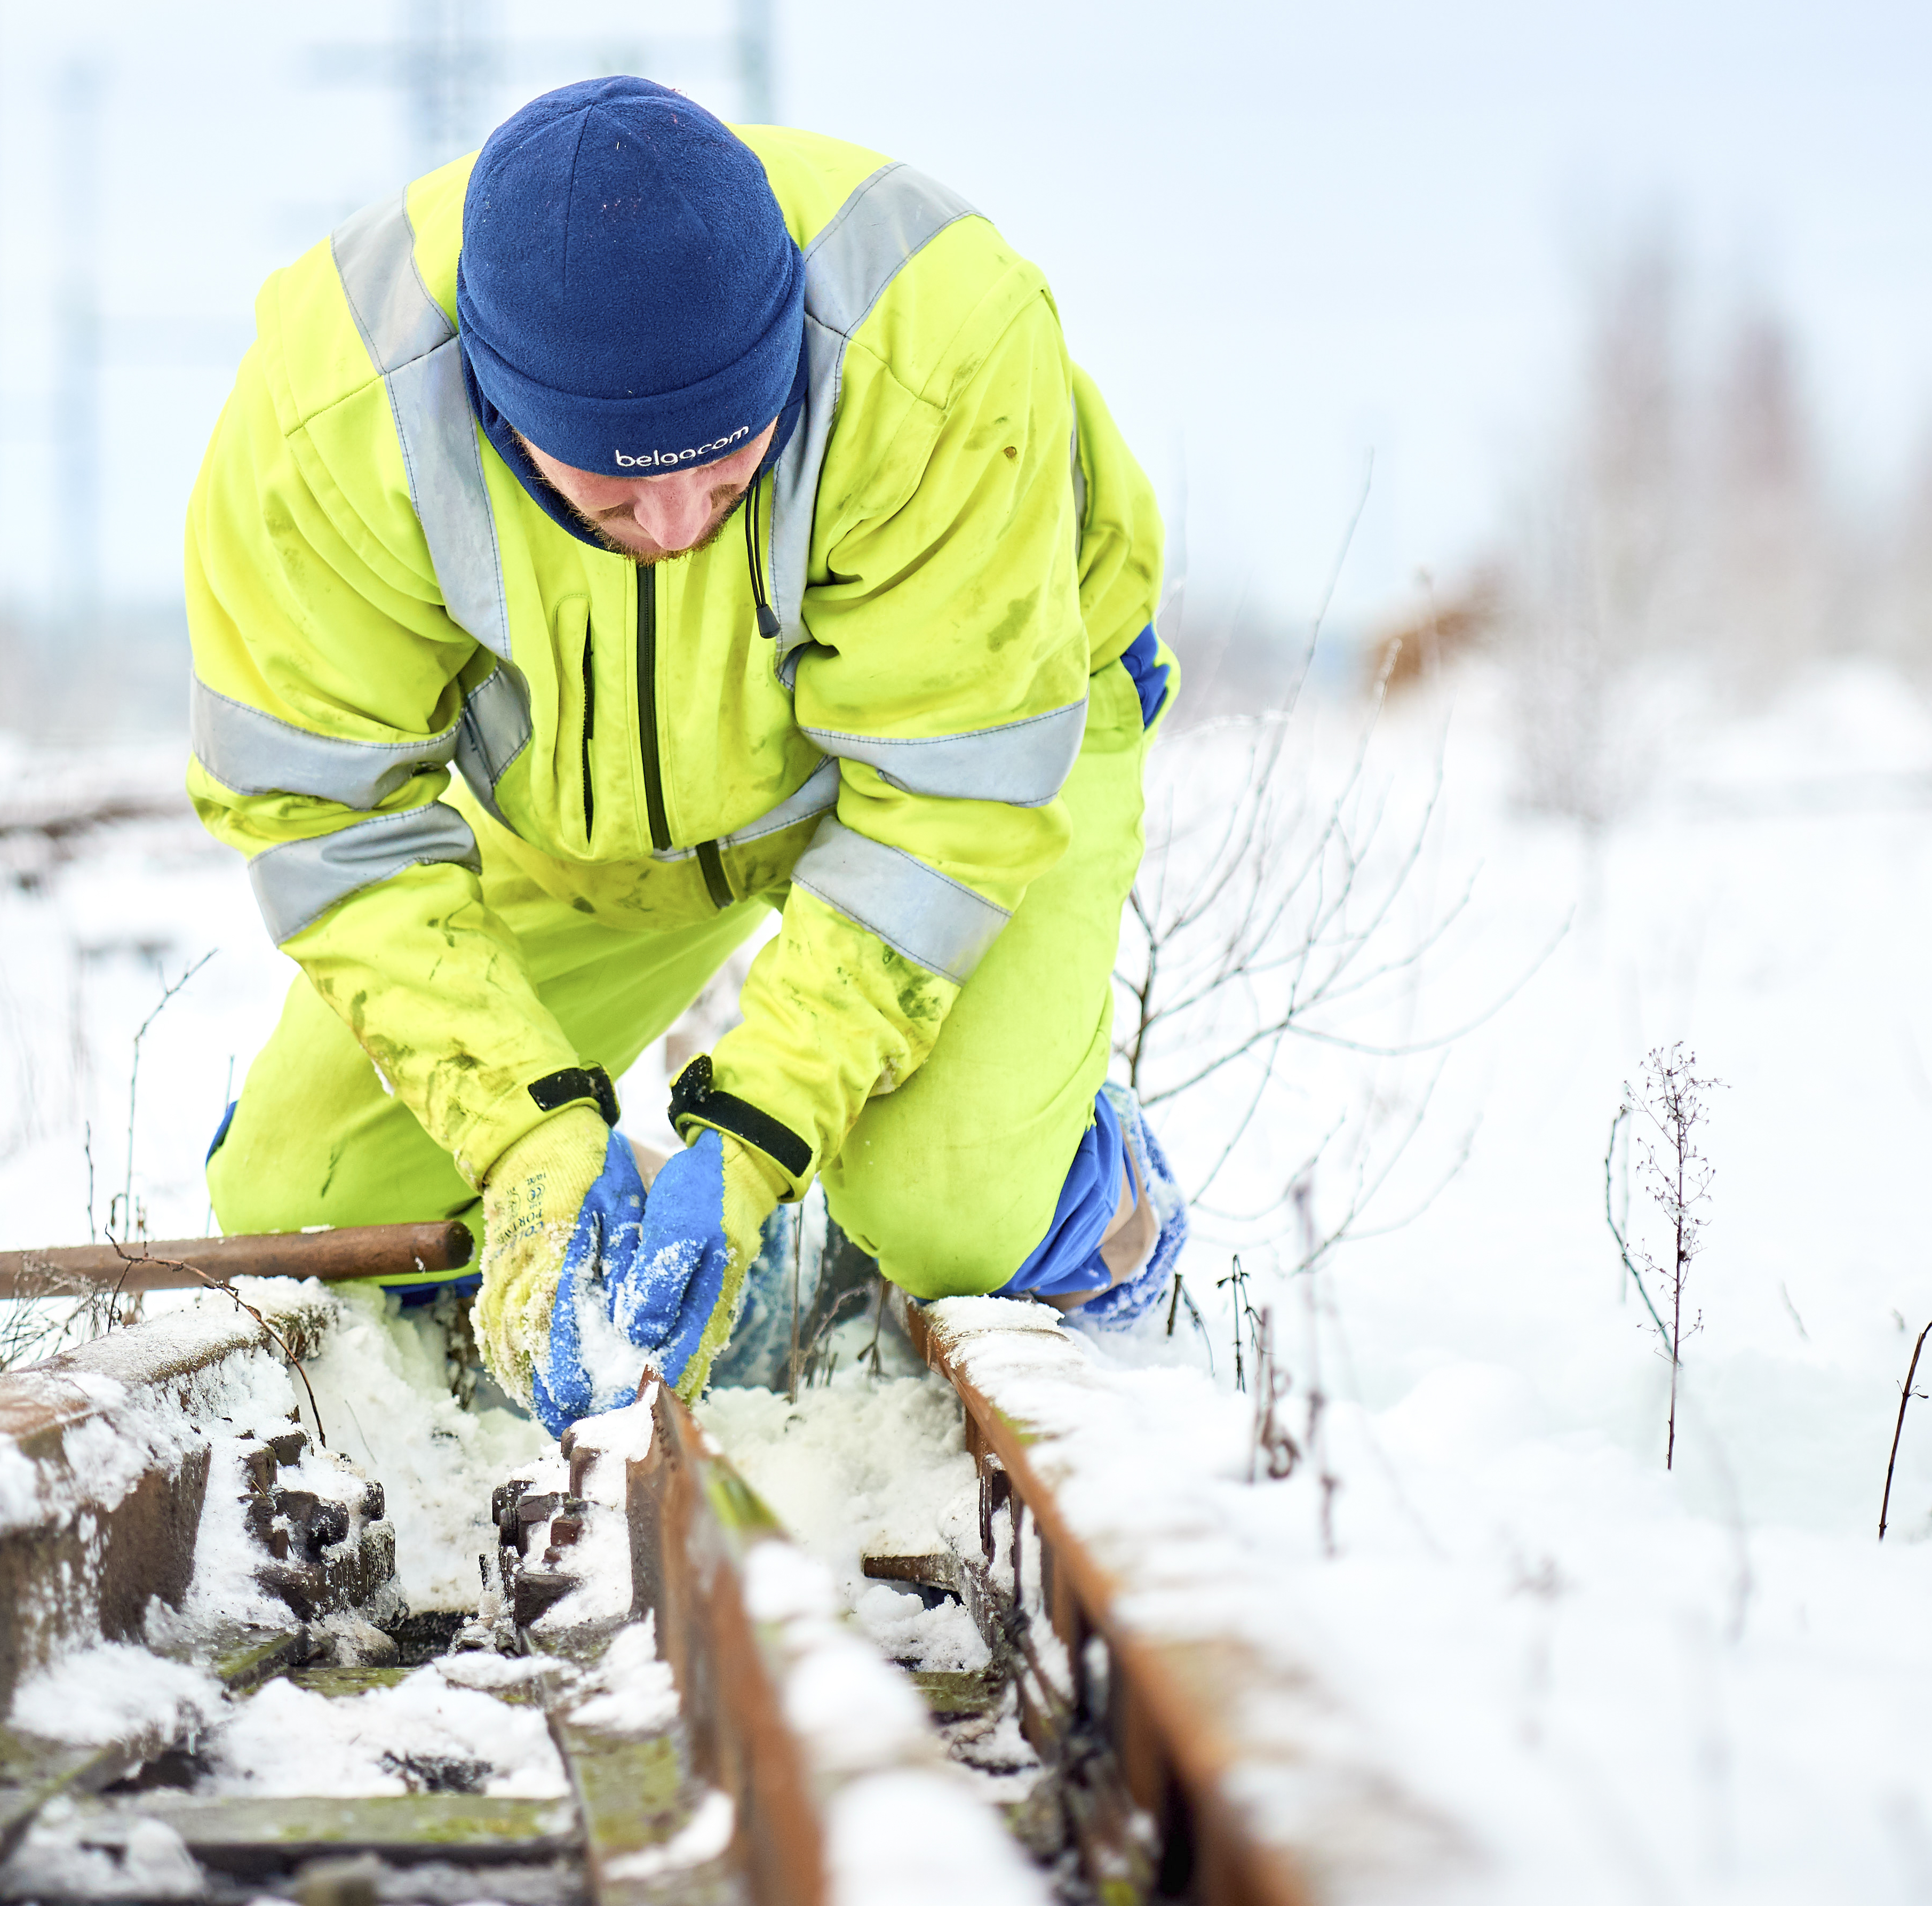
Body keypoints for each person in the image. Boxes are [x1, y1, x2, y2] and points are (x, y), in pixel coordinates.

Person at [184, 77, 1186, 1432]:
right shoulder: (330, 417)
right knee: (303, 1193)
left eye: (728, 478)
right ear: (496, 406)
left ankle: (1104, 1217)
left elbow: (943, 802)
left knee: (954, 1214)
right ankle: (649, 1236)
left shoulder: (937, 345)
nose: (673, 526)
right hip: (583, 832)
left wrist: (764, 1131)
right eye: (611, 493)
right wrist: (528, 1135)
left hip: (964, 772)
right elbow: (328, 823)